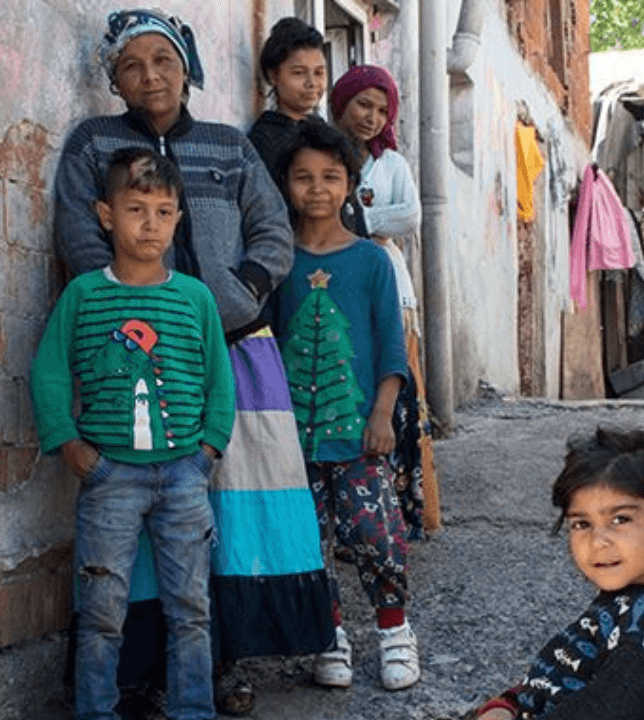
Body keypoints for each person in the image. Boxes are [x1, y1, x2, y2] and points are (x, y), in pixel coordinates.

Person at [53, 9, 335, 716]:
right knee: (136, 536)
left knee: (230, 518)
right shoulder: (93, 143)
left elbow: (272, 231)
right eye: (131, 65)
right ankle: (135, 679)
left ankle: (221, 670)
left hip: (232, 353)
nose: (150, 75)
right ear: (112, 77)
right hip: (130, 362)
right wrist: (126, 315)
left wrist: (238, 296)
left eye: (164, 61)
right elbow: (79, 236)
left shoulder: (227, 147)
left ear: (188, 68)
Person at [31, 148, 234, 720]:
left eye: (164, 212)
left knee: (191, 607)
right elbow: (48, 369)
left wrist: (207, 451)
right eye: (136, 208)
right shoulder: (85, 295)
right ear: (105, 214)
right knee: (101, 608)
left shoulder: (194, 298)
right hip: (109, 478)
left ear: (178, 219)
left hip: (184, 476)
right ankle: (96, 711)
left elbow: (221, 378)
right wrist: (70, 445)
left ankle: (194, 709)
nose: (150, 224)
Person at [270, 120, 418, 690]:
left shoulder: (370, 261)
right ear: (285, 184)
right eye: (303, 177)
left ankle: (394, 631)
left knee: (375, 532)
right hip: (293, 438)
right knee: (310, 540)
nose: (316, 189)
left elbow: (391, 349)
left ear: (351, 184)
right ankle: (328, 635)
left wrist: (381, 415)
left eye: (331, 177)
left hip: (359, 433)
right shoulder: (278, 263)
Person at [475, 426, 644, 720]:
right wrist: (503, 708)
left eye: (620, 519)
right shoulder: (626, 598)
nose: (598, 541)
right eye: (581, 524)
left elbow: (614, 709)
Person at [329, 64, 439, 537]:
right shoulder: (324, 152)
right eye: (363, 105)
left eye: (382, 109)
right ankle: (348, 518)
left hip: (394, 294)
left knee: (398, 401)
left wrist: (350, 218)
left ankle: (403, 512)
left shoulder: (391, 164)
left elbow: (410, 217)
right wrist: (371, 219)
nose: (372, 117)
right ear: (341, 104)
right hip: (336, 294)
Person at [247, 16, 328, 182]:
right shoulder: (264, 140)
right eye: (298, 73)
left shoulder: (323, 129)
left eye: (319, 73)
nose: (312, 83)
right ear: (273, 76)